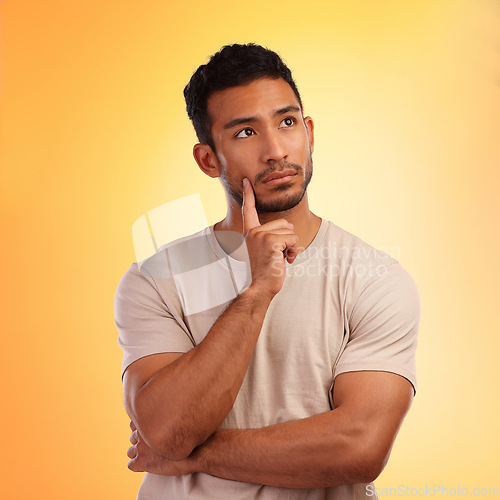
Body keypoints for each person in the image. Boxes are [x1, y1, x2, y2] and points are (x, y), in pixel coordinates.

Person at [115, 43, 420, 499]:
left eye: (287, 122)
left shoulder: (373, 277)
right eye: (244, 133)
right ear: (208, 160)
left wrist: (197, 456)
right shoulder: (154, 279)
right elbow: (168, 431)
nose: (276, 150)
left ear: (309, 132)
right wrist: (257, 293)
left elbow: (359, 448)